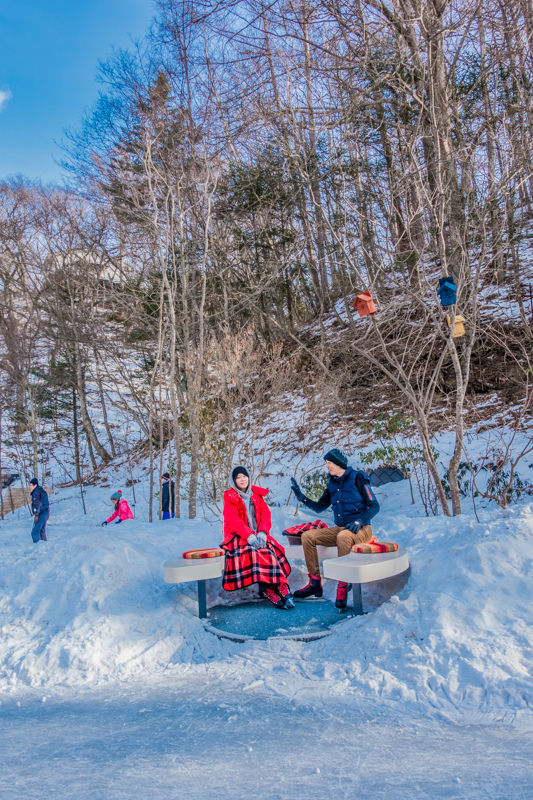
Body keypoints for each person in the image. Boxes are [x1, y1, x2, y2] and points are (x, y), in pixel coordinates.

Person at [290, 448, 380, 609]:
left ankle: (343, 583)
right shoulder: (332, 483)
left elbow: (374, 506)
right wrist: (300, 496)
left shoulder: (358, 478)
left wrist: (360, 521)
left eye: (329, 463)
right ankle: (315, 583)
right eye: (326, 463)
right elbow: (319, 507)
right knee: (308, 536)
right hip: (341, 528)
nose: (327, 467)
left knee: (343, 537)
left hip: (362, 529)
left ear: (339, 464)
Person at [221, 466, 294, 609]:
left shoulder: (256, 495)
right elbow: (233, 521)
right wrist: (249, 536)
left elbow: (266, 516)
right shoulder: (230, 497)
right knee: (253, 552)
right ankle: (268, 590)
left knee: (269, 550)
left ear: (248, 477)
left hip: (258, 534)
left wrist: (262, 533)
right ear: (233, 481)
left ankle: (281, 585)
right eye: (238, 478)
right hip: (239, 536)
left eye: (244, 476)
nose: (242, 480)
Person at [29, 477, 49, 543]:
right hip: (46, 512)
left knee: (35, 532)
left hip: (41, 513)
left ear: (35, 485)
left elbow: (36, 504)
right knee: (42, 531)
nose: (29, 487)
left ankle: (37, 548)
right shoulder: (41, 491)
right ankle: (45, 547)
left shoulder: (36, 493)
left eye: (31, 485)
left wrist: (36, 514)